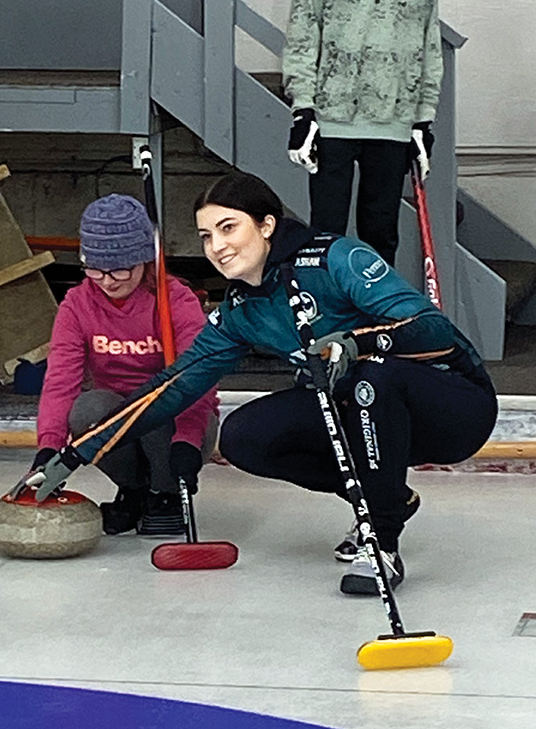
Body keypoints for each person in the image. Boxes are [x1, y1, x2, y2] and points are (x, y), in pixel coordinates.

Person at [27, 172, 497, 595]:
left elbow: (434, 330)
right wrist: (73, 454)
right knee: (245, 437)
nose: (217, 246)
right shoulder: (240, 311)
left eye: (229, 228)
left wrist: (355, 343)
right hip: (361, 413)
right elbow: (174, 385)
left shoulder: (336, 258)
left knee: (367, 376)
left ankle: (382, 542)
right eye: (206, 235)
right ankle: (389, 496)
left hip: (452, 406)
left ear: (266, 225)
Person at [34, 193, 218, 536]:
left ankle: (165, 493)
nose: (107, 281)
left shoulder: (175, 300)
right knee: (87, 409)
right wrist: (48, 448)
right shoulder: (76, 305)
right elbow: (61, 380)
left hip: (176, 417)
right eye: (95, 269)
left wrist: (188, 443)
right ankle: (135, 490)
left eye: (119, 269)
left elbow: (199, 377)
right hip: (115, 419)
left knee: (159, 406)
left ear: (145, 261)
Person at [283, 0, 443, 265]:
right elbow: (304, 27)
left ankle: (377, 309)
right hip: (332, 116)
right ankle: (327, 310)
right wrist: (303, 110)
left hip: (395, 120)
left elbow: (428, 39)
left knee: (381, 239)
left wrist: (422, 119)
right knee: (325, 240)